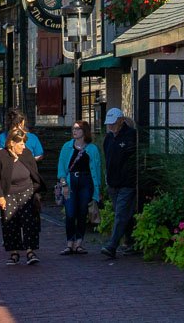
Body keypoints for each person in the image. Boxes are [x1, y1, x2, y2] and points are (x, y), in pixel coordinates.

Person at [0, 130, 45, 266]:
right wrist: (0, 196)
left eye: (24, 143)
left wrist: (35, 191)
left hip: (27, 191)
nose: (23, 146)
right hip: (8, 193)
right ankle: (14, 252)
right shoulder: (1, 156)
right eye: (20, 143)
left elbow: (34, 173)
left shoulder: (26, 154)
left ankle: (30, 251)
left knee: (29, 222)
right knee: (9, 222)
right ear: (11, 143)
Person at [57, 120, 101, 255]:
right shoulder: (67, 147)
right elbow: (61, 167)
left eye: (77, 129)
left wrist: (97, 190)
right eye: (73, 129)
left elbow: (97, 170)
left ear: (84, 131)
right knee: (70, 213)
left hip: (86, 181)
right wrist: (63, 183)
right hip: (71, 181)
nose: (74, 131)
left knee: (82, 212)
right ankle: (69, 243)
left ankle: (79, 243)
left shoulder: (92, 149)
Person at [101, 108, 137, 259]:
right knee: (122, 214)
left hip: (126, 183)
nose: (110, 127)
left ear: (121, 121)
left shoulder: (131, 136)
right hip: (113, 183)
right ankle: (129, 242)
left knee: (121, 213)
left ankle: (112, 246)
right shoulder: (108, 139)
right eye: (109, 124)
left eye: (113, 123)